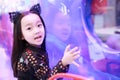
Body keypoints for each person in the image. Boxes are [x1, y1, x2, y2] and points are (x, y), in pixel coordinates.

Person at [9, 3, 80, 80]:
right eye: (29, 28)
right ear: (21, 35)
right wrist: (64, 62)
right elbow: (50, 78)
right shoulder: (31, 56)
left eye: (39, 25)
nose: (36, 31)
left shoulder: (33, 52)